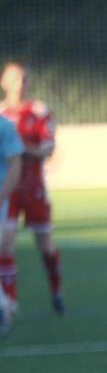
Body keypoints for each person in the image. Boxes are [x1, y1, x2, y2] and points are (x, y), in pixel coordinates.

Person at [0, 61, 64, 319]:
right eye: (14, 79)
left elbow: (48, 148)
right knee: (5, 245)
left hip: (34, 187)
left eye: (24, 78)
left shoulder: (38, 111)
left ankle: (56, 292)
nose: (20, 83)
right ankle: (10, 302)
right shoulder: (1, 115)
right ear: (3, 82)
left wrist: (22, 151)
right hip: (8, 187)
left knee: (46, 246)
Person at [0, 112, 24, 337]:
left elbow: (15, 165)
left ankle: (4, 308)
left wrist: (1, 197)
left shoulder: (3, 126)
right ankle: (4, 306)